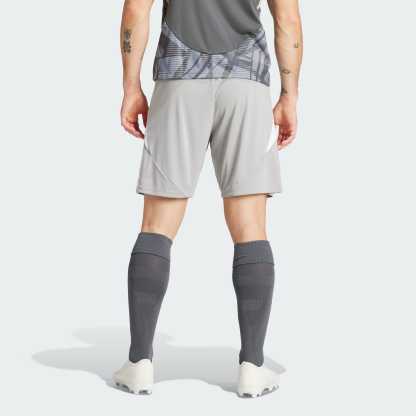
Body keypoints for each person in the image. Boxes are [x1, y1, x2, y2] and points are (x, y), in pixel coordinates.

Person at [113, 0, 303, 398]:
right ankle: (252, 366)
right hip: (246, 81)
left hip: (178, 77)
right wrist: (290, 96)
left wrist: (131, 87)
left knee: (157, 224)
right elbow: (287, 19)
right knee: (250, 226)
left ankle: (140, 363)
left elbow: (135, 11)